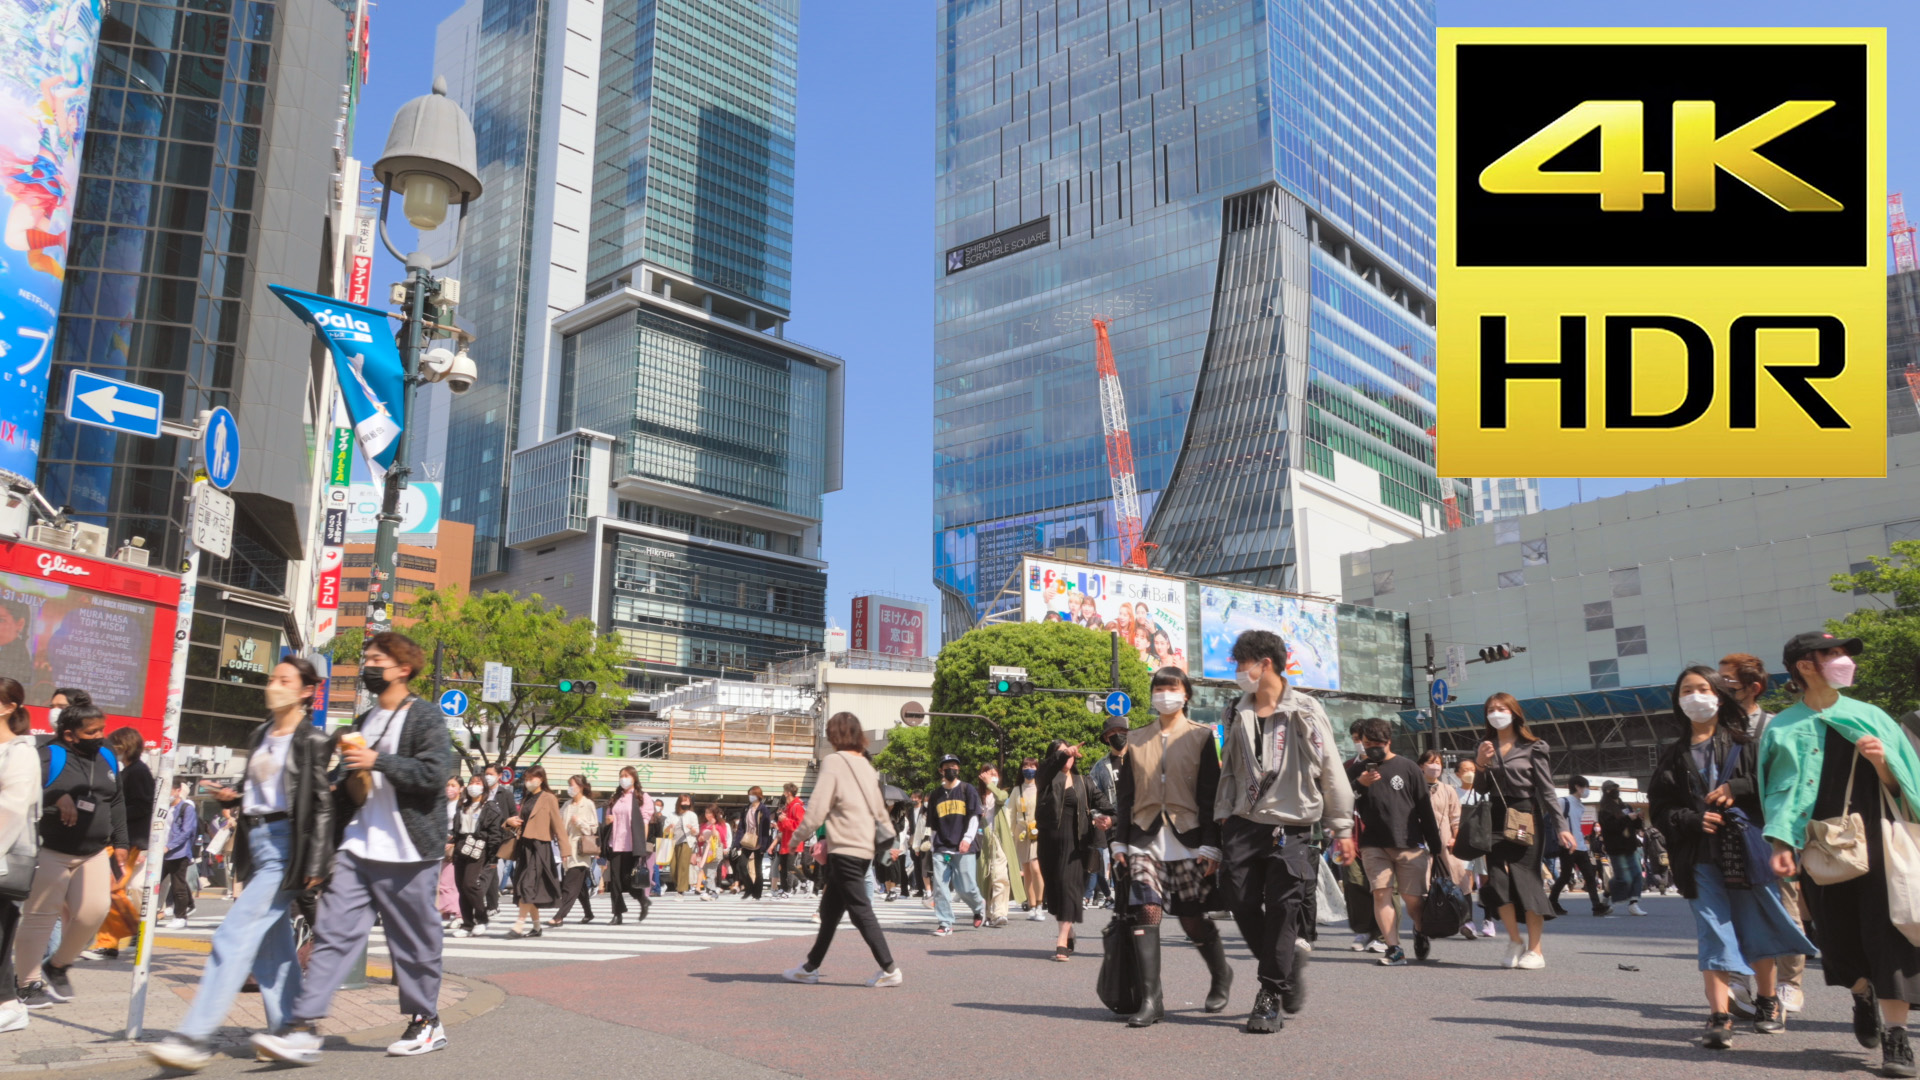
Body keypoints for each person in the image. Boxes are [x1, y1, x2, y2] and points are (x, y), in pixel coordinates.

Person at [250, 631, 456, 1064]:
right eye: (367, 658)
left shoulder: (425, 717)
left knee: (414, 941)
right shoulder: (364, 721)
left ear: (403, 668)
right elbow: (349, 785)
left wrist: (378, 761)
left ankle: (425, 1021)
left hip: (410, 849)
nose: (369, 665)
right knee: (333, 935)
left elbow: (435, 774)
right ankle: (303, 1027)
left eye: (377, 658)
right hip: (360, 845)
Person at [146, 658, 336, 1071]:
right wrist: (236, 795)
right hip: (259, 841)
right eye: (272, 679)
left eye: (285, 681)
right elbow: (261, 787)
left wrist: (318, 861)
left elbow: (321, 803)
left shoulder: (313, 740)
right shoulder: (262, 733)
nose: (274, 686)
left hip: (288, 848)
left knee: (232, 937)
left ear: (306, 691)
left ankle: (193, 1037)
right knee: (273, 949)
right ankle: (294, 1031)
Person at [1759, 631, 1920, 1076]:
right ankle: (1860, 992)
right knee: (1835, 938)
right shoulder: (1782, 727)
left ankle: (1897, 1039)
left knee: (1888, 935)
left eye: (1844, 653)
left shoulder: (1872, 717)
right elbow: (1777, 794)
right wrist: (1780, 845)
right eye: (1832, 653)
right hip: (1818, 846)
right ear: (1804, 666)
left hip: (1879, 843)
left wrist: (1882, 762)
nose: (1844, 660)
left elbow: (1907, 789)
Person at [1647, 666, 1816, 1053]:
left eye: (1703, 688)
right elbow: (1660, 809)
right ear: (1678, 700)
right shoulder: (1673, 754)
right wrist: (1691, 819)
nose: (1695, 696)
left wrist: (1736, 787)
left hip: (1746, 850)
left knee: (1756, 926)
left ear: (1720, 695)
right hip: (1699, 856)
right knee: (1713, 932)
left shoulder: (1749, 741)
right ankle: (1720, 1015)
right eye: (1687, 690)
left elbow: (1778, 784)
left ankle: (1768, 999)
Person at [1215, 630, 1357, 1033]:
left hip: (1292, 825)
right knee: (1238, 900)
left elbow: (1330, 766)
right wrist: (1224, 811)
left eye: (1244, 663)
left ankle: (1269, 994)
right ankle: (1286, 967)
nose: (1239, 672)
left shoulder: (1306, 709)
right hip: (1243, 822)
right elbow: (1231, 769)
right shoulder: (1234, 711)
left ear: (1266, 664)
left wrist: (1341, 826)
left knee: (1283, 908)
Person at [1107, 666, 1229, 1026]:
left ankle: (1221, 974)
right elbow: (1125, 796)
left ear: (1185, 694)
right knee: (1146, 911)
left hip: (1188, 836)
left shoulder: (1201, 737)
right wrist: (1119, 841)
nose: (1164, 693)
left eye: (1171, 687)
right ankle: (1151, 1000)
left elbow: (1210, 795)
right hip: (1144, 836)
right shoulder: (1137, 737)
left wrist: (1212, 845)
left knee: (1192, 919)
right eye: (1158, 688)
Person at [15, 703, 127, 1009]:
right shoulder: (51, 755)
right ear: (69, 734)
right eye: (91, 731)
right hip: (50, 849)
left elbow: (116, 800)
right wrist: (56, 795)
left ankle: (58, 965)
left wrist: (122, 841)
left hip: (93, 852)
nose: (100, 736)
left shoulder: (106, 754)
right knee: (40, 917)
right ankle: (26, 982)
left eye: (101, 729)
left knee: (95, 911)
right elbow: (23, 792)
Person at [781, 712, 901, 986]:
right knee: (830, 911)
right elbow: (878, 809)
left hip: (844, 846)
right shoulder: (867, 766)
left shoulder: (834, 762)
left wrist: (795, 838)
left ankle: (890, 968)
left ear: (835, 735)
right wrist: (889, 840)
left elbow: (817, 809)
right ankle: (810, 967)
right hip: (863, 848)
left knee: (860, 909)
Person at [1720, 651, 1807, 1017]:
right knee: (1732, 905)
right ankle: (1739, 977)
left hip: (1769, 830)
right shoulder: (1712, 727)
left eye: (1727, 682)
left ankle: (1790, 982)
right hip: (1726, 832)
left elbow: (1789, 780)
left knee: (1783, 904)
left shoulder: (1773, 726)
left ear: (1752, 688)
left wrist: (1737, 787)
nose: (1718, 688)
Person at [1474, 693, 1576, 971]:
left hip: (1524, 815)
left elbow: (1547, 790)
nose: (1496, 713)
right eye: (1491, 709)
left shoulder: (1534, 746)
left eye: (1501, 708)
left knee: (1526, 880)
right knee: (1496, 880)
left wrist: (1562, 827)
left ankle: (1536, 949)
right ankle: (1514, 940)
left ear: (1514, 712)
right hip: (1494, 816)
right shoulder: (1485, 746)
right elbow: (1481, 788)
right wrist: (1481, 763)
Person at [1347, 718, 1444, 966]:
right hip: (1372, 844)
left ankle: (1420, 931)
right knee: (1381, 893)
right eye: (1366, 743)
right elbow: (1341, 801)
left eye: (1376, 743)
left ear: (1388, 741)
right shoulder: (1357, 770)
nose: (1370, 747)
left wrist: (1435, 843)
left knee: (1413, 900)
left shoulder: (1409, 767)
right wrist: (1360, 784)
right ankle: (1394, 948)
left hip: (1409, 842)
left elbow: (1424, 807)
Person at [85, 726, 152, 961]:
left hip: (128, 840)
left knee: (112, 889)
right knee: (112, 889)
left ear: (126, 745)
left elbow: (143, 805)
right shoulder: (131, 770)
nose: (112, 749)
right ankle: (111, 942)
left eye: (116, 745)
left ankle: (126, 931)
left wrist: (115, 814)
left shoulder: (137, 772)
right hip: (125, 838)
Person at [0, 680, 37, 1032]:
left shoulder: (20, 751)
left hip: (4, 858)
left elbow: (12, 807)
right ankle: (8, 1005)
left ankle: (10, 1006)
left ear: (9, 707)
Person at [1036, 739, 1094, 959]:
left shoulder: (1083, 781)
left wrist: (1108, 818)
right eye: (1060, 754)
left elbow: (1103, 804)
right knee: (1054, 893)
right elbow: (1048, 768)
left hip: (1075, 845)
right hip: (1049, 842)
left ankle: (1061, 942)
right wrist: (1062, 754)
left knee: (1067, 886)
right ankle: (1068, 929)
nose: (1067, 756)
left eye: (1069, 753)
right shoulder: (1046, 778)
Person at [927, 754, 986, 934]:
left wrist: (967, 839)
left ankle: (978, 906)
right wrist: (932, 845)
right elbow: (933, 825)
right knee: (940, 886)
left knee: (965, 887)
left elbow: (975, 818)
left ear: (958, 769)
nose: (951, 770)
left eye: (954, 766)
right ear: (941, 771)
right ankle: (945, 922)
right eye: (947, 767)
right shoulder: (935, 795)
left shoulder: (968, 790)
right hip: (941, 846)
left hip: (963, 845)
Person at [504, 766, 562, 936]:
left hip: (540, 847)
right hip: (524, 847)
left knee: (527, 885)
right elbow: (520, 822)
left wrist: (566, 851)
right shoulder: (526, 798)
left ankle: (519, 925)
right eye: (527, 779)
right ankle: (537, 927)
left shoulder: (549, 798)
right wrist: (509, 822)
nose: (529, 782)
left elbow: (558, 825)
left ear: (541, 779)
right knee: (524, 886)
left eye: (532, 778)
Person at [1420, 749, 1473, 930]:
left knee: (1459, 880)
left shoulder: (1448, 789)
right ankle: (1427, 922)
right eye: (1431, 763)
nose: (1435, 767)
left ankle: (1466, 921)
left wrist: (1455, 838)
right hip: (1421, 845)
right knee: (1424, 885)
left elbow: (1456, 817)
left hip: (1446, 842)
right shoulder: (1414, 788)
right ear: (1421, 766)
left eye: (1439, 764)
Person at [449, 775, 505, 938]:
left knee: (470, 884)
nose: (474, 786)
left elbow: (495, 833)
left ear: (484, 788)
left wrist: (492, 855)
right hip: (461, 847)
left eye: (478, 783)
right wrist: (451, 836)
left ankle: (481, 919)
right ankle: (467, 924)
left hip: (479, 848)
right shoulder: (463, 805)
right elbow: (457, 828)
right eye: (471, 783)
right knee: (461, 886)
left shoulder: (490, 807)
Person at [1548, 775, 1608, 917]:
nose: (1587, 791)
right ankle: (1552, 902)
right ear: (1577, 787)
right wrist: (1560, 836)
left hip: (1580, 846)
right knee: (1565, 876)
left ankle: (1596, 906)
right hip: (1567, 846)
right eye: (1586, 787)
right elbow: (1553, 819)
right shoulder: (1563, 801)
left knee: (1590, 876)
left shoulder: (1580, 806)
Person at [974, 762, 1024, 926]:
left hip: (999, 839)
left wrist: (991, 784)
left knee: (1000, 875)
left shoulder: (1000, 794)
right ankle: (988, 912)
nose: (992, 777)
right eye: (988, 774)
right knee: (985, 877)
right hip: (980, 840)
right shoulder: (975, 796)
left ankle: (1000, 913)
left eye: (994, 775)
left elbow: (1002, 798)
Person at [602, 766, 651, 923]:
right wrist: (608, 820)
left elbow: (645, 822)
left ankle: (642, 900)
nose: (623, 778)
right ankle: (617, 913)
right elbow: (609, 817)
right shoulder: (616, 798)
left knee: (627, 879)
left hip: (632, 844)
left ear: (634, 778)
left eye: (627, 775)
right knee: (615, 881)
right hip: (615, 843)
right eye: (621, 775)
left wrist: (641, 844)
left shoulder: (641, 797)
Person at [1454, 756, 1495, 939]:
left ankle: (1488, 919)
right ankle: (1467, 920)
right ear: (1457, 774)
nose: (1470, 773)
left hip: (1483, 840)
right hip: (1463, 841)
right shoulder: (1454, 793)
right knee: (1465, 881)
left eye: (1473, 769)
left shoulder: (1485, 793)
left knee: (1486, 880)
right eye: (1465, 770)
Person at [1596, 781, 1647, 916]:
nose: (1616, 791)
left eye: (1617, 789)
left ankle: (1634, 903)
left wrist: (1637, 818)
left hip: (1630, 845)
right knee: (1622, 878)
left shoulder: (1626, 806)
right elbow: (1610, 827)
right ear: (1607, 791)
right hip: (1616, 847)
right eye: (1613, 789)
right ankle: (1606, 896)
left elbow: (1635, 825)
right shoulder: (1604, 810)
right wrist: (1626, 818)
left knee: (1637, 874)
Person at [160, 780, 199, 928]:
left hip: (178, 853)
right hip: (161, 853)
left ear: (177, 791)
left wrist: (169, 847)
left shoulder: (186, 808)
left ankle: (180, 917)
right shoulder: (162, 808)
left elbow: (187, 831)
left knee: (178, 887)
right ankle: (155, 912)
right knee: (153, 884)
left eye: (169, 790)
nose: (167, 795)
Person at [480, 766, 514, 916]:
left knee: (489, 867)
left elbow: (513, 814)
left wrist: (508, 826)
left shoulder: (505, 793)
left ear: (499, 776)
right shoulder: (482, 792)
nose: (487, 777)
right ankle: (492, 905)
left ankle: (485, 903)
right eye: (486, 774)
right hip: (482, 836)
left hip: (498, 837)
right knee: (491, 869)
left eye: (491, 774)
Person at [1011, 758, 1042, 917]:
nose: (1029, 769)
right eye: (1025, 766)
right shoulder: (1017, 790)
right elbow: (1010, 813)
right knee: (1027, 869)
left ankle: (1039, 903)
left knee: (1036, 867)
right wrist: (1010, 833)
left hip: (1037, 831)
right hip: (1021, 832)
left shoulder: (1041, 787)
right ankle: (1030, 905)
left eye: (1032, 766)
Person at [735, 787, 773, 900]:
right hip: (747, 840)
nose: (750, 796)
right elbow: (741, 826)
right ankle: (749, 888)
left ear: (758, 796)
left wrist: (763, 845)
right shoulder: (746, 808)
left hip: (758, 841)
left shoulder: (763, 809)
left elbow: (765, 829)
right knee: (741, 865)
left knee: (758, 869)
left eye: (752, 794)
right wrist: (737, 842)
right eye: (749, 794)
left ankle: (757, 894)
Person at [775, 784, 805, 898]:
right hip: (785, 841)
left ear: (788, 792)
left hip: (793, 842)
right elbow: (783, 828)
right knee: (782, 867)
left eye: (784, 791)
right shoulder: (788, 807)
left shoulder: (797, 806)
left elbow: (798, 826)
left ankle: (804, 881)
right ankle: (783, 889)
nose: (783, 793)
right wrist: (781, 820)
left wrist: (785, 820)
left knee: (789, 866)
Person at [669, 796, 699, 893]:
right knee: (673, 868)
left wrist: (691, 828)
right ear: (679, 803)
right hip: (673, 842)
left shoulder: (692, 815)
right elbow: (664, 830)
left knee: (683, 866)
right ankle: (678, 884)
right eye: (684, 802)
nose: (686, 804)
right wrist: (669, 827)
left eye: (688, 802)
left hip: (686, 841)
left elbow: (696, 832)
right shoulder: (672, 815)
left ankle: (681, 890)